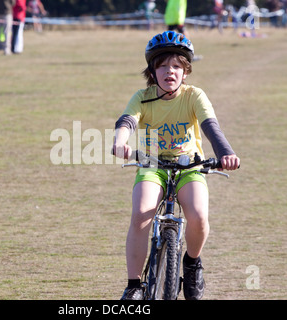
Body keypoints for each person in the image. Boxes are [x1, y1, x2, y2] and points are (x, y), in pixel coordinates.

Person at [112, 31, 240, 300]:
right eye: (162, 66)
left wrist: (225, 153)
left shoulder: (195, 96)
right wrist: (120, 142)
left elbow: (211, 128)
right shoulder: (143, 97)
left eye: (177, 66)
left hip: (189, 166)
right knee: (141, 213)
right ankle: (134, 285)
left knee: (198, 217)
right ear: (152, 70)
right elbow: (127, 121)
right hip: (152, 165)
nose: (169, 71)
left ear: (186, 71)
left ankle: (192, 264)